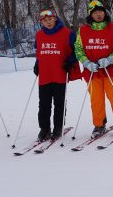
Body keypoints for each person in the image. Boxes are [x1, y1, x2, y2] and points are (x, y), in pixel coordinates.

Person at [74, 0, 113, 139]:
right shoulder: (83, 30)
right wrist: (86, 62)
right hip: (92, 71)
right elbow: (78, 48)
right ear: (90, 14)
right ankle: (99, 124)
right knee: (96, 99)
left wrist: (111, 59)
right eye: (95, 12)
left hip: (110, 70)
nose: (98, 14)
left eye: (100, 11)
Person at [33, 9, 82, 141]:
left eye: (50, 19)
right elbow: (39, 51)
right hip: (45, 74)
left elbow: (77, 49)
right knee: (43, 103)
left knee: (59, 103)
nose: (48, 22)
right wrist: (37, 64)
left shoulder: (67, 33)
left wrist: (70, 61)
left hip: (60, 73)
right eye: (44, 20)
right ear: (41, 22)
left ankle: (58, 127)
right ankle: (44, 128)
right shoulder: (39, 35)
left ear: (55, 19)